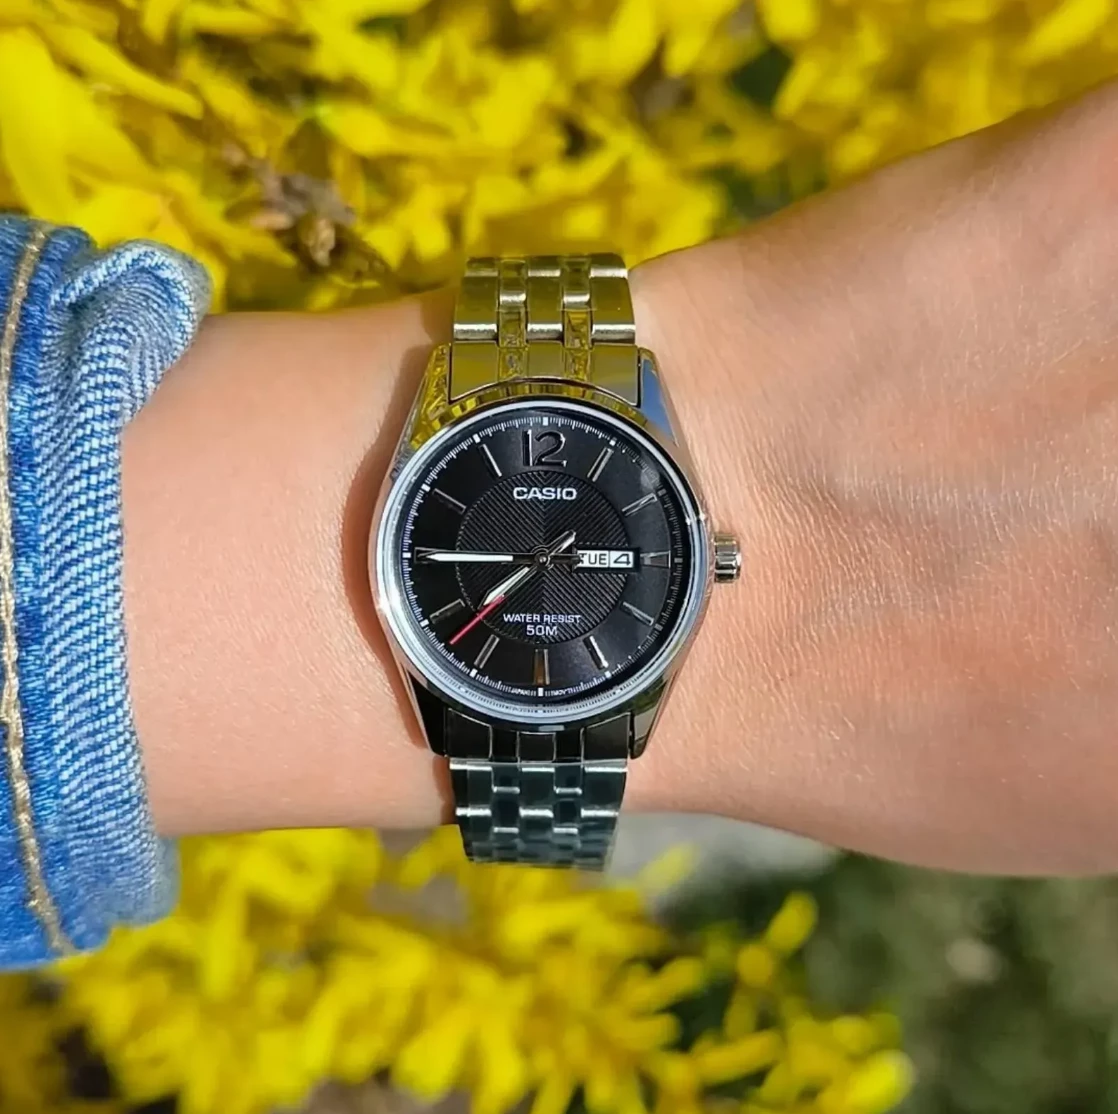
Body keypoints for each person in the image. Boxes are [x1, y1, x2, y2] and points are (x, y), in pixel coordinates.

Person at [2, 79, 1118, 966]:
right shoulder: (589, 555)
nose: (547, 557)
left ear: (711, 559)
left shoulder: (637, 571)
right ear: (708, 553)